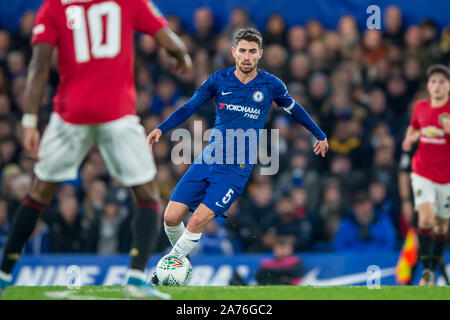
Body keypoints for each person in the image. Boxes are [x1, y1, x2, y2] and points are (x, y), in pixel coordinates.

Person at [0, 0, 193, 299]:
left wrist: (28, 121)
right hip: (117, 114)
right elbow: (169, 39)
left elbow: (38, 65)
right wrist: (181, 56)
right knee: (147, 196)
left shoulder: (53, 7)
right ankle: (135, 278)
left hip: (70, 115)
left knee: (38, 194)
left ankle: (3, 275)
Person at [147, 28, 328, 282]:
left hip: (235, 169)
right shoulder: (218, 80)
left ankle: (161, 274)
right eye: (242, 50)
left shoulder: (271, 85)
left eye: (252, 51)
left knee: (197, 221)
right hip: (209, 158)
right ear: (233, 52)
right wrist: (161, 128)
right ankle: (183, 261)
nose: (246, 56)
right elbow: (189, 107)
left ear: (260, 55)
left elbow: (294, 109)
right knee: (170, 218)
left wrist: (318, 134)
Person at [401, 64, 450, 286]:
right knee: (426, 218)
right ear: (428, 86)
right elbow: (414, 127)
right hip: (422, 171)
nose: (437, 86)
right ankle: (427, 272)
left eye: (441, 82)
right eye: (433, 82)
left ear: (448, 86)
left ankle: (430, 267)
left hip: (446, 177)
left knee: (441, 227)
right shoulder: (420, 107)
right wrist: (410, 137)